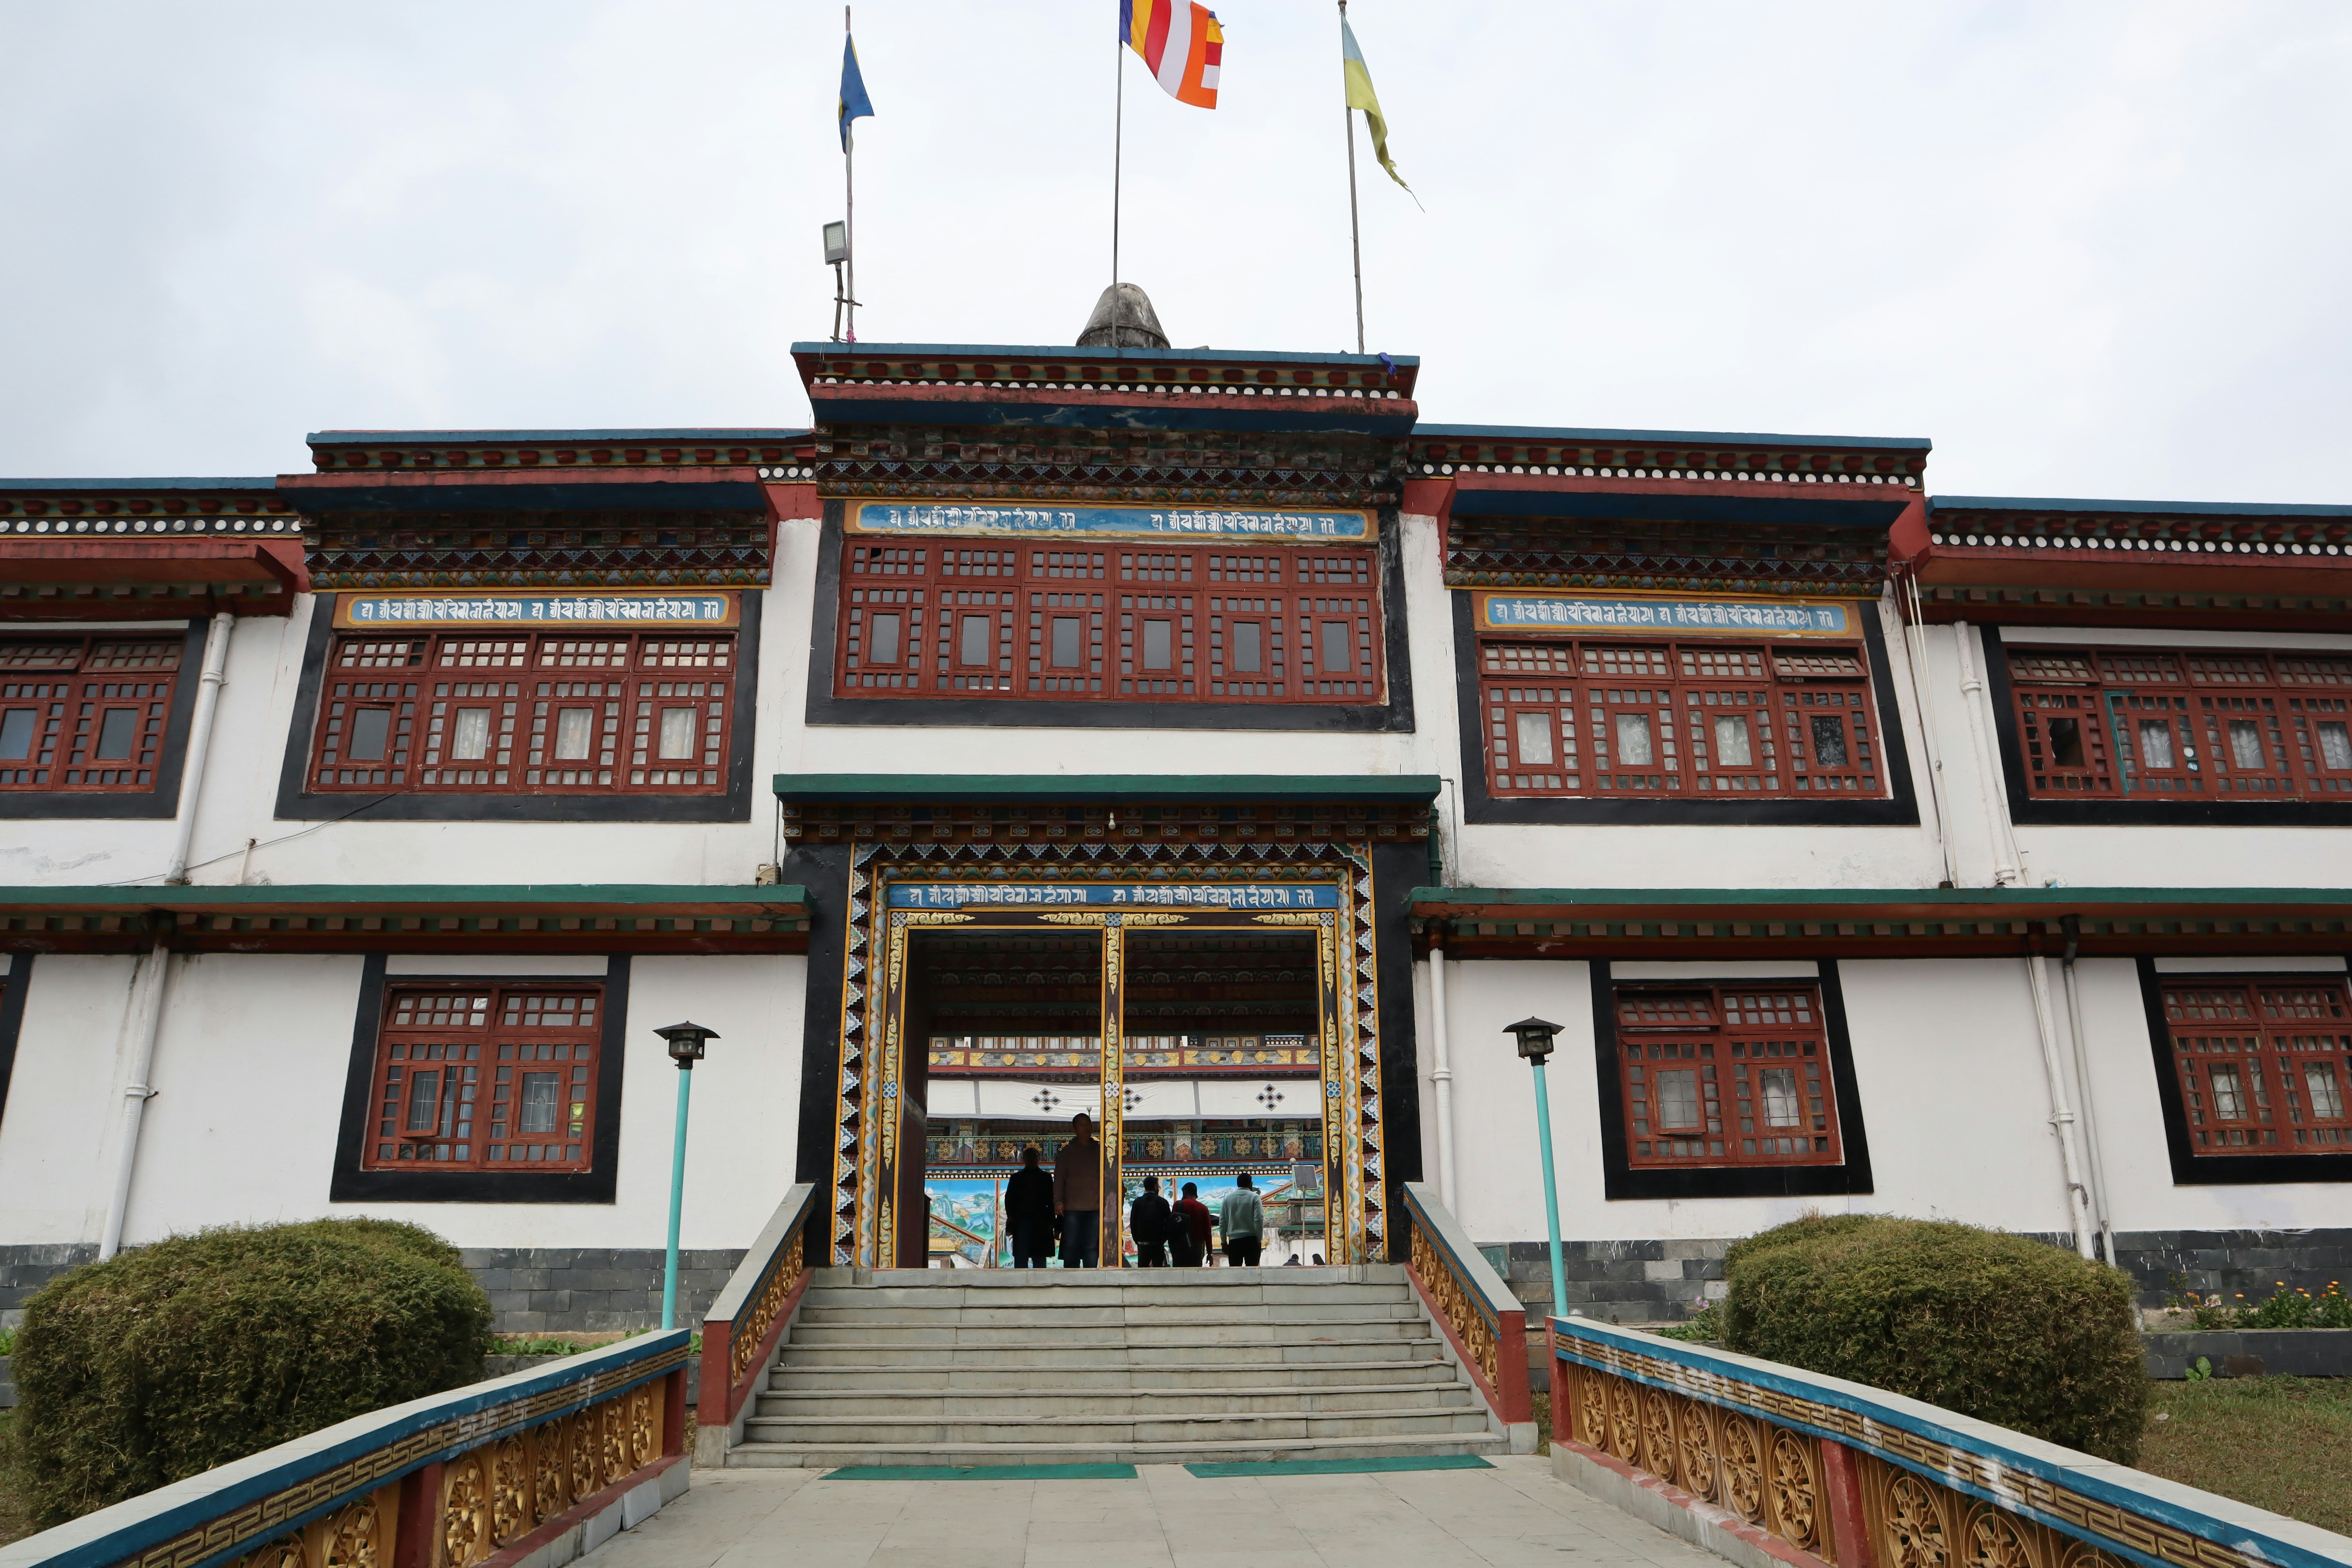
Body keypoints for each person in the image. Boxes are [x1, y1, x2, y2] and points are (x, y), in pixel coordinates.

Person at [1053, 1111, 1101, 1268]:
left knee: (1092, 1247)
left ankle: (1092, 1282)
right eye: (1082, 1125)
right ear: (1074, 1129)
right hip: (1072, 1209)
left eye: (1089, 1125)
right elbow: (1059, 1179)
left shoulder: (1101, 1152)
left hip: (1096, 1208)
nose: (1086, 1128)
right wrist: (1058, 1201)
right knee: (1071, 1247)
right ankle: (1071, 1283)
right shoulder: (1067, 1152)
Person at [1004, 1145, 1054, 1269]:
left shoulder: (1017, 1178)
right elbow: (1009, 1201)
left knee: (1030, 1256)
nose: (1032, 1160)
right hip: (1032, 1222)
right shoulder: (1045, 1178)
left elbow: (1009, 1201)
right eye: (1030, 1157)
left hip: (1031, 1222)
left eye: (1033, 1157)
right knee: (1035, 1256)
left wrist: (1011, 1219)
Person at [1219, 1172, 1265, 1268]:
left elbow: (1223, 1222)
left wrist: (1224, 1242)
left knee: (1235, 1273)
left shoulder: (1227, 1199)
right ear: (1250, 1184)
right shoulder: (1255, 1198)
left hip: (1234, 1242)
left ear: (1238, 1184)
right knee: (1252, 1272)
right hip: (1252, 1240)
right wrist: (1259, 1239)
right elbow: (1259, 1219)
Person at [1129, 1174, 1173, 1267]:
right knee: (1158, 1269)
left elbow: (1133, 1222)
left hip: (1142, 1243)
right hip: (1158, 1243)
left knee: (1143, 1269)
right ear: (1156, 1187)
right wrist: (1164, 1239)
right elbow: (1169, 1224)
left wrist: (1137, 1241)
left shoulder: (1138, 1202)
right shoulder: (1162, 1202)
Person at [1171, 1180, 1212, 1267]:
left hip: (1181, 1246)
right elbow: (1208, 1232)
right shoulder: (1204, 1209)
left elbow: (1173, 1226)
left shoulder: (1178, 1205)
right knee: (1195, 1273)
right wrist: (1210, 1253)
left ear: (1185, 1193)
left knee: (1179, 1272)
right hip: (1198, 1247)